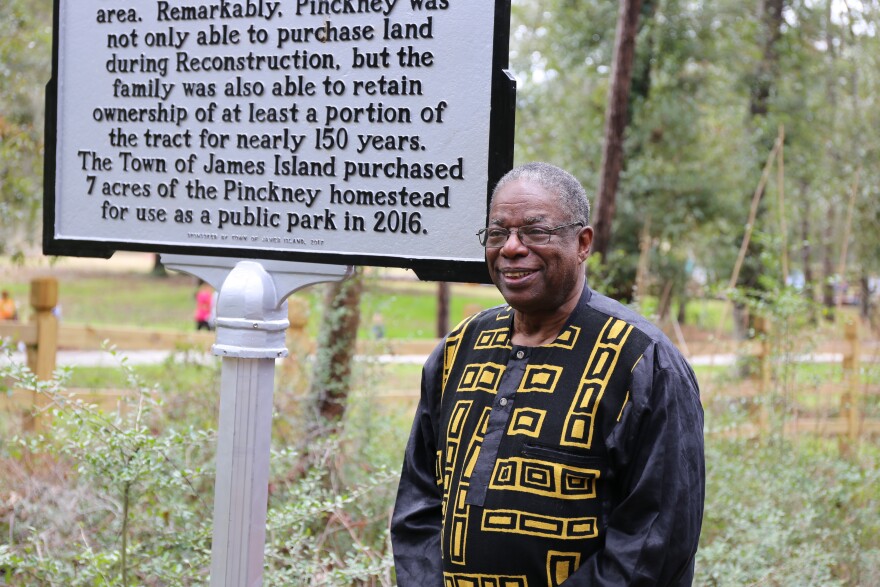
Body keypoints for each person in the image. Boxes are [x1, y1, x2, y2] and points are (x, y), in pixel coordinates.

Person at [391, 162, 705, 586]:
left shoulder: (641, 363)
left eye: (536, 232)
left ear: (582, 243)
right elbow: (418, 504)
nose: (512, 248)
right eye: (498, 233)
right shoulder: (457, 351)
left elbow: (654, 543)